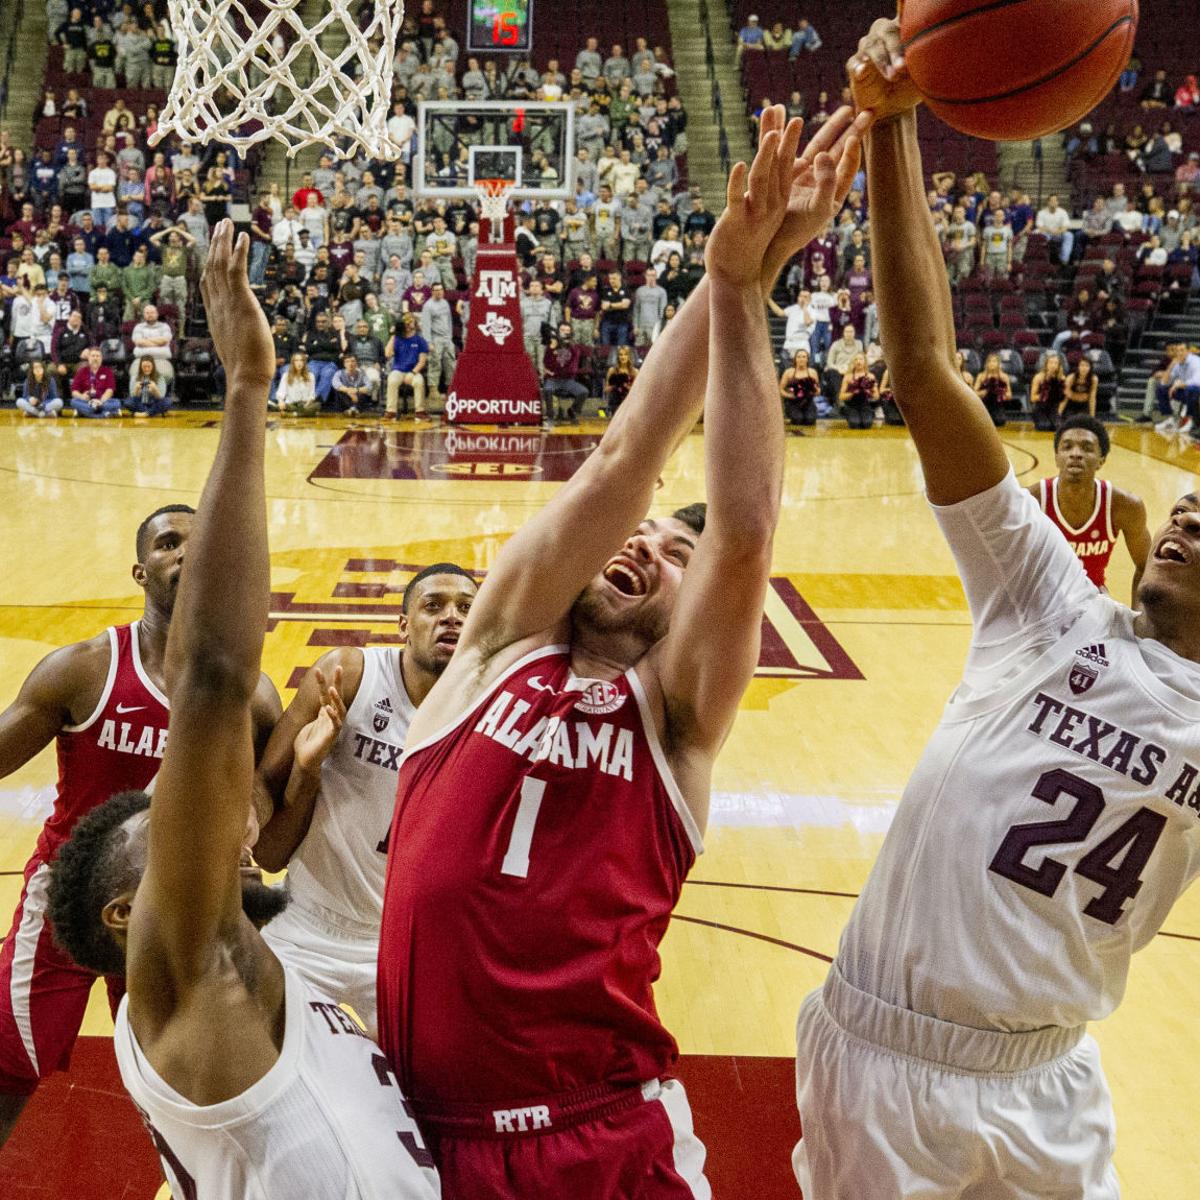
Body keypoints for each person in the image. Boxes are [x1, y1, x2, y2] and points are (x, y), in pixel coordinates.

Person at [375, 104, 867, 1200]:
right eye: (647, 532)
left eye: (670, 553)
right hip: (412, 1136)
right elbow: (622, 461)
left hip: (597, 1139)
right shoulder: (492, 648)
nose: (647, 541)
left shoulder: (677, 721)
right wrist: (738, 263)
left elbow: (744, 528)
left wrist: (749, 294)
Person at [793, 22, 1200, 1199]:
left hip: (1051, 1078)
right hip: (887, 1061)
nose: (1179, 519)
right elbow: (925, 371)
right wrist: (893, 124)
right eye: (1181, 510)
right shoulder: (1046, 601)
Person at [43, 222, 439, 1200]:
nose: (182, 803)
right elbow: (212, 674)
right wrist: (246, 392)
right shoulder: (194, 976)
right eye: (161, 825)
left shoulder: (252, 977)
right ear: (135, 916)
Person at [0, 486, 280, 1147]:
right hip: (72, 898)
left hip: (177, 910)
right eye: (167, 543)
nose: (186, 551)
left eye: (200, 542)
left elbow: (264, 791)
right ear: (140, 571)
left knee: (184, 1086)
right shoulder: (84, 669)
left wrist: (251, 817)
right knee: (8, 1065)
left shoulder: (251, 694)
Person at [253, 564, 478, 1040]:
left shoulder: (493, 710)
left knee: (431, 1098)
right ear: (403, 625)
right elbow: (266, 811)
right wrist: (306, 771)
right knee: (250, 1053)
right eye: (433, 606)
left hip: (408, 943)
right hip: (309, 924)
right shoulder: (349, 676)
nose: (452, 618)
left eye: (466, 608)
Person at [1029, 415, 1151, 605]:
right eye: (1067, 447)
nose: (1075, 454)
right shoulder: (1032, 500)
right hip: (1040, 601)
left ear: (1101, 460)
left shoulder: (1125, 505)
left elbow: (1145, 566)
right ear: (1057, 457)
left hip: (1093, 599)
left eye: (1087, 448)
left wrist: (1140, 623)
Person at [384, 313, 429, 417]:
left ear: (415, 324)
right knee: (392, 380)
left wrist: (413, 373)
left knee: (419, 381)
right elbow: (387, 354)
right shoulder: (397, 339)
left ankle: (420, 411)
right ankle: (390, 411)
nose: (408, 324)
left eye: (410, 322)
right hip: (398, 370)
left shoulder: (420, 340)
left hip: (414, 370)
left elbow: (422, 361)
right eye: (406, 322)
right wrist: (393, 335)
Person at [69, 346, 120, 418]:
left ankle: (85, 412)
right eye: (93, 356)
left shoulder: (108, 371)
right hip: (87, 402)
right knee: (73, 401)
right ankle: (104, 414)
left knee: (116, 402)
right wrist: (82, 397)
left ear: (101, 359)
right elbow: (74, 391)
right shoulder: (81, 371)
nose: (95, 358)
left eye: (98, 356)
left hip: (103, 401)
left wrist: (101, 401)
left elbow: (110, 390)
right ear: (89, 358)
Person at [779, 348, 820, 426]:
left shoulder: (812, 372)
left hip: (808, 402)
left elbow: (818, 390)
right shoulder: (788, 372)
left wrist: (814, 391)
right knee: (797, 419)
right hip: (793, 402)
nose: (801, 359)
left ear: (807, 359)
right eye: (799, 357)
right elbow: (780, 389)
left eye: (804, 357)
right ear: (795, 359)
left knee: (810, 420)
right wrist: (790, 396)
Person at [274, 350, 320, 416]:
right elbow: (281, 393)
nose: (299, 363)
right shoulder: (286, 375)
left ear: (304, 362)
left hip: (305, 405)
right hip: (291, 404)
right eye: (296, 360)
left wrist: (306, 406)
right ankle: (301, 414)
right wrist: (281, 401)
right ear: (293, 363)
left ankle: (294, 414)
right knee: (285, 406)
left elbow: (311, 395)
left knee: (317, 405)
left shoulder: (311, 376)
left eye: (301, 360)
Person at [838, 351, 877, 428]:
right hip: (851, 405)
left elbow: (877, 396)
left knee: (867, 424)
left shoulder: (870, 376)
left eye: (861, 359)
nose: (858, 361)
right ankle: (848, 415)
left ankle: (870, 414)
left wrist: (868, 391)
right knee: (854, 424)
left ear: (865, 362)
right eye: (856, 359)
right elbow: (841, 396)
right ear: (853, 362)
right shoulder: (848, 376)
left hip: (865, 405)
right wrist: (853, 392)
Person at [1031, 353, 1068, 431]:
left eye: (1055, 363)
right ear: (1046, 364)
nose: (1053, 365)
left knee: (1057, 427)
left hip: (1054, 408)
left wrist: (1059, 412)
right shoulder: (1038, 377)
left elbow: (1064, 398)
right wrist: (1044, 395)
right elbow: (1033, 398)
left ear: (1059, 366)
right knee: (1044, 426)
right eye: (1051, 362)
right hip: (1041, 407)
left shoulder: (1062, 378)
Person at [973, 352, 1011, 426]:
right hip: (984, 405)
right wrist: (984, 392)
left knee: (999, 422)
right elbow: (974, 393)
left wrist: (1001, 393)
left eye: (994, 361)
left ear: (998, 363)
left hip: (997, 405)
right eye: (989, 361)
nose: (991, 363)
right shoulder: (981, 376)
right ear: (986, 364)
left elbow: (1009, 395)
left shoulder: (1004, 377)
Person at [602, 344, 639, 417]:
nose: (623, 357)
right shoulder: (612, 370)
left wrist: (625, 385)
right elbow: (606, 389)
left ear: (629, 357)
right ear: (618, 357)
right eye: (620, 355)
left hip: (629, 402)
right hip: (615, 401)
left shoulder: (635, 372)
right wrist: (615, 386)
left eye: (625, 355)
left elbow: (636, 391)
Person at [1062, 355, 1099, 420]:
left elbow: (1092, 399)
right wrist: (1059, 413)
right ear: (1078, 367)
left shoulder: (1094, 379)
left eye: (1087, 366)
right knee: (1071, 421)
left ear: (1090, 368)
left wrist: (1092, 417)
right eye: (1082, 365)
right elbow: (1065, 398)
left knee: (1084, 422)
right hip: (1071, 405)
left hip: (1084, 405)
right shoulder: (1071, 378)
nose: (1084, 368)